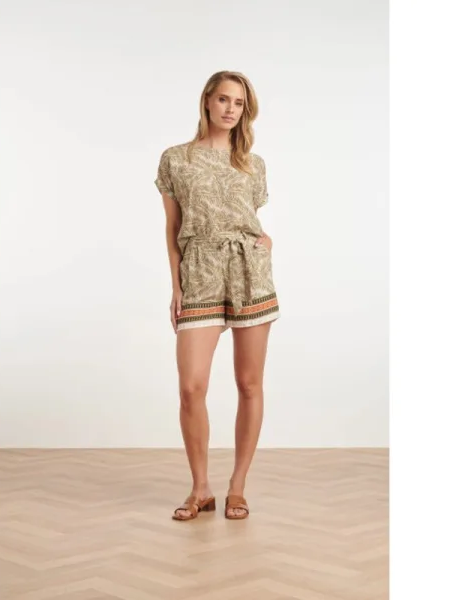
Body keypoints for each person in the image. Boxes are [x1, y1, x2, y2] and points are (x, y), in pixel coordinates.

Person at [154, 71, 280, 521]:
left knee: (249, 384)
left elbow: (249, 219)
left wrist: (264, 243)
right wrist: (176, 287)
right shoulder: (176, 159)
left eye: (239, 103)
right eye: (224, 99)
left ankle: (238, 488)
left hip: (250, 276)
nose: (231, 109)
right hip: (200, 273)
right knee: (192, 387)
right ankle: (200, 489)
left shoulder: (252, 163)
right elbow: (172, 229)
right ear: (207, 100)